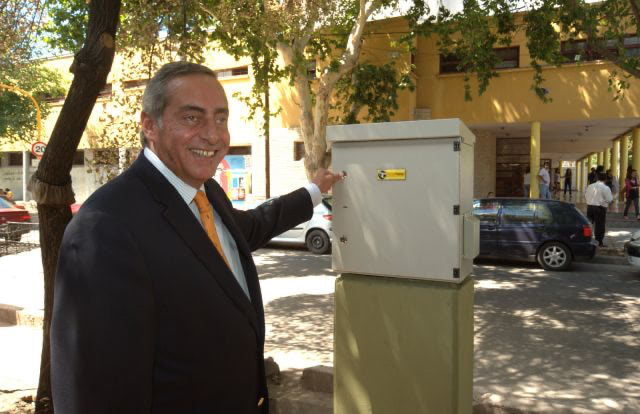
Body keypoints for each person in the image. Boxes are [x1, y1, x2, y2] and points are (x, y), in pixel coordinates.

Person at [50, 62, 343, 413]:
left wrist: (313, 191)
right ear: (150, 126)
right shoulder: (105, 227)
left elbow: (251, 228)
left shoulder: (207, 193)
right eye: (192, 118)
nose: (213, 135)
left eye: (221, 118)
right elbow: (93, 392)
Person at [585, 172, 613, 247]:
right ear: (605, 179)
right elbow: (609, 199)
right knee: (599, 225)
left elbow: (586, 195)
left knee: (589, 224)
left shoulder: (590, 186)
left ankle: (586, 240)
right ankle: (599, 241)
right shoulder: (605, 188)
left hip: (590, 207)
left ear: (597, 178)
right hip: (600, 208)